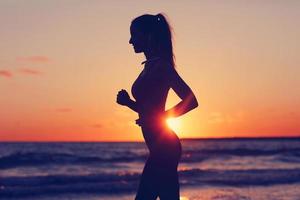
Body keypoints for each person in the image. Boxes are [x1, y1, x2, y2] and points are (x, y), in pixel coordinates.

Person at [116, 13, 198, 200]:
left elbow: (191, 100)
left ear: (148, 36)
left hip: (165, 148)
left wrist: (160, 118)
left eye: (134, 35)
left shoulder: (162, 66)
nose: (130, 41)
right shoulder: (149, 66)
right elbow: (150, 112)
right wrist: (129, 103)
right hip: (159, 146)